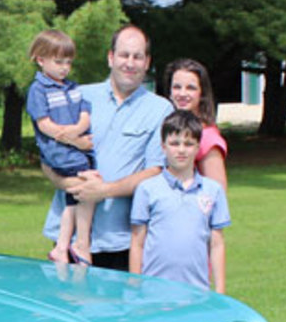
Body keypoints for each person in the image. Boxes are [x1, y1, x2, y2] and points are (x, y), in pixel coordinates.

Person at [41, 24, 171, 271]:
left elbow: (155, 171)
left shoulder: (161, 110)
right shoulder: (77, 95)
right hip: (66, 237)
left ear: (147, 62)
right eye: (124, 55)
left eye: (137, 56)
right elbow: (47, 155)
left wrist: (105, 191)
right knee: (67, 308)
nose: (130, 63)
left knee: (116, 310)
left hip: (120, 241)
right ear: (111, 58)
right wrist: (69, 185)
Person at [128, 110, 230, 292]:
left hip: (197, 290)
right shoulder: (147, 189)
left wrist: (220, 290)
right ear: (163, 146)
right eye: (174, 143)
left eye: (188, 144)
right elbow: (137, 242)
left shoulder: (212, 191)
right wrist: (136, 285)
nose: (181, 150)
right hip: (154, 290)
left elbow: (216, 243)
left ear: (198, 147)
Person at [26, 29, 95, 265]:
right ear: (41, 59)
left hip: (76, 150)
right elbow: (44, 125)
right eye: (58, 62)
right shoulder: (38, 90)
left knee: (74, 199)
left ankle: (63, 246)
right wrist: (74, 139)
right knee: (90, 188)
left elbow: (85, 114)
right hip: (61, 153)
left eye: (68, 62)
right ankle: (82, 244)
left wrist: (78, 129)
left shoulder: (72, 87)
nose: (64, 67)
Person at [162, 58, 228, 192]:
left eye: (190, 88)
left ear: (201, 93)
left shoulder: (208, 138)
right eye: (177, 87)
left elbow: (217, 194)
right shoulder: (167, 128)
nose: (182, 94)